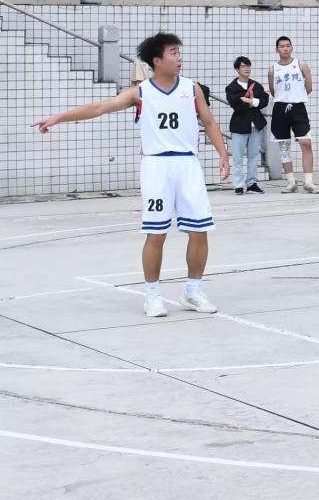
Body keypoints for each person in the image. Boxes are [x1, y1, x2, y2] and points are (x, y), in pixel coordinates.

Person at [34, 32, 229, 317]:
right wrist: (59, 117)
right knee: (156, 233)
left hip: (188, 165)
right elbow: (100, 107)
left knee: (200, 231)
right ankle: (153, 296)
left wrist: (223, 154)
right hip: (156, 167)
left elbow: (209, 122)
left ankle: (193, 291)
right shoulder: (140, 93)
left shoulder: (192, 88)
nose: (179, 57)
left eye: (179, 52)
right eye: (173, 53)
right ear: (157, 60)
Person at [268, 36, 319, 194]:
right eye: (282, 46)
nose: (285, 48)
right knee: (284, 146)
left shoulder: (301, 64)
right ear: (277, 49)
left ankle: (309, 182)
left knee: (306, 143)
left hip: (298, 107)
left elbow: (309, 87)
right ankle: (291, 182)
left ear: (291, 47)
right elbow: (273, 90)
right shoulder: (273, 69)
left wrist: (295, 97)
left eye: (288, 45)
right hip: (280, 109)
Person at [226, 55, 270, 195]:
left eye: (248, 66)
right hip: (239, 125)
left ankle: (252, 183)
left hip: (255, 125)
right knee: (238, 157)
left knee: (253, 155)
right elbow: (236, 104)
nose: (247, 69)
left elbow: (265, 99)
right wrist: (248, 102)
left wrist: (251, 101)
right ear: (237, 69)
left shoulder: (256, 85)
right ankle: (238, 185)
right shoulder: (232, 87)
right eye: (243, 66)